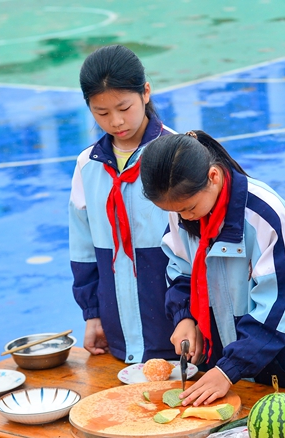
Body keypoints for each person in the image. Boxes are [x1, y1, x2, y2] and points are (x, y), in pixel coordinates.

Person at [139, 131, 285, 406]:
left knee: (282, 429)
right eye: (175, 212)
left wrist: (228, 370)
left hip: (283, 367)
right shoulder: (183, 208)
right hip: (223, 365)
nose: (183, 218)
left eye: (189, 208)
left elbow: (274, 308)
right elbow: (180, 269)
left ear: (214, 177)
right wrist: (184, 316)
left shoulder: (265, 214)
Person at [69, 44, 176, 365]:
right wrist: (93, 315)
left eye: (123, 107)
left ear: (145, 92)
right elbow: (83, 249)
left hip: (179, 328)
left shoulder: (178, 155)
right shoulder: (88, 166)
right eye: (101, 113)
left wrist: (192, 319)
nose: (116, 121)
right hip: (118, 335)